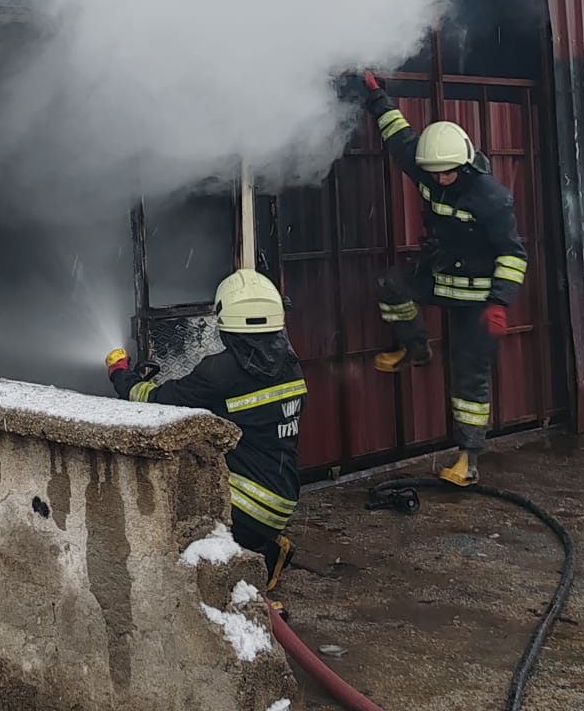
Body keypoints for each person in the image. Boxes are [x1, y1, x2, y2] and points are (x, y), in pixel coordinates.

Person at [351, 70, 529, 486]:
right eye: (434, 174)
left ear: (465, 164)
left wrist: (500, 303)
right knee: (390, 285)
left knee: (469, 375)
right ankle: (415, 349)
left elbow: (513, 254)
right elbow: (397, 132)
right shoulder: (427, 164)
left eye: (448, 174)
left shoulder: (492, 199)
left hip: (478, 298)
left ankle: (468, 460)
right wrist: (376, 94)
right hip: (441, 272)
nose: (440, 180)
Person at [106, 269, 304, 589]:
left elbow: (155, 402)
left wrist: (120, 375)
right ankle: (261, 545)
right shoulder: (290, 364)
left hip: (247, 504)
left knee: (175, 498)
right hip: (284, 496)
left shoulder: (219, 372)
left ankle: (245, 562)